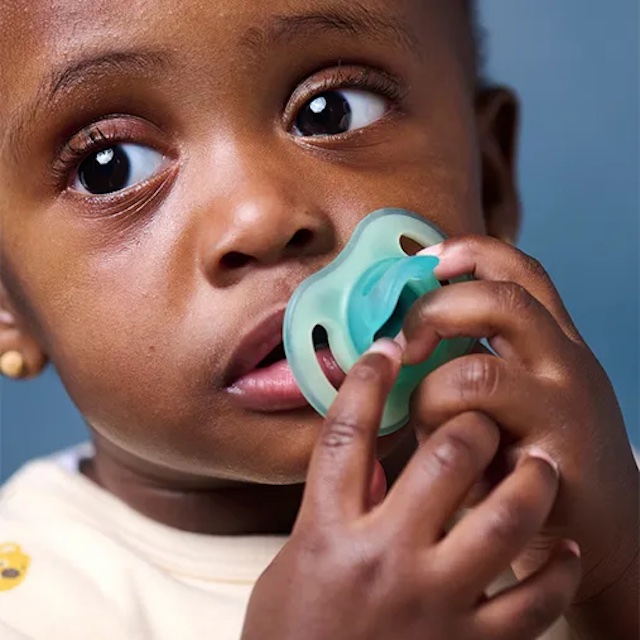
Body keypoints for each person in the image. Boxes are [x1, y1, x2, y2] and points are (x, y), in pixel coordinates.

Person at [0, 1, 637, 638]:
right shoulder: (34, 602)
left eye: (329, 111)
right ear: (8, 304)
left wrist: (615, 569)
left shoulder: (598, 494)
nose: (262, 219)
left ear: (490, 178)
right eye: (109, 167)